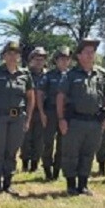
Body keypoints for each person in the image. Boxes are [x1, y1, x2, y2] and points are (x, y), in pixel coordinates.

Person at [56, 39, 105, 196]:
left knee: (88, 154)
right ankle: (71, 185)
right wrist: (61, 119)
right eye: (87, 52)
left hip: (94, 122)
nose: (90, 55)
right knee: (71, 154)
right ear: (79, 56)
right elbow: (60, 97)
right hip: (75, 121)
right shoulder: (70, 75)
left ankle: (83, 185)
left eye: (92, 52)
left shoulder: (101, 74)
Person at [0, 41, 35, 195]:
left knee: (12, 151)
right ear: (4, 56)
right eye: (9, 53)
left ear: (19, 56)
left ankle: (8, 184)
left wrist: (28, 119)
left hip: (18, 118)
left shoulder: (25, 74)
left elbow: (31, 98)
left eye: (16, 53)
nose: (12, 56)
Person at [38, 46, 71, 181]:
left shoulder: (71, 75)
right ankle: (47, 169)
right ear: (56, 60)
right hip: (50, 112)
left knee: (63, 144)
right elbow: (39, 94)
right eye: (61, 59)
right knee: (48, 143)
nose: (64, 61)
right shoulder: (49, 76)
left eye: (66, 59)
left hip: (66, 113)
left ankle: (57, 170)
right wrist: (41, 113)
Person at [20, 46, 48, 173]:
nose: (39, 62)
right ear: (31, 60)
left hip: (42, 112)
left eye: (42, 59)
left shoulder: (48, 75)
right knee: (25, 139)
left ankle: (35, 165)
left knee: (39, 140)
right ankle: (25, 163)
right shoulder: (24, 74)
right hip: (26, 111)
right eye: (36, 59)